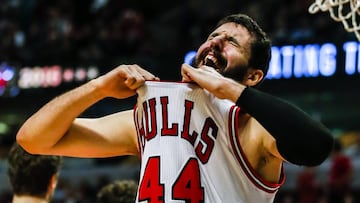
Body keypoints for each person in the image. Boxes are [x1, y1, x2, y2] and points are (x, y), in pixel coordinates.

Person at [16, 13, 334, 202]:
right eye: (214, 36)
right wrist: (98, 87)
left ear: (253, 76)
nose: (216, 43)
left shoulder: (249, 125)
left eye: (232, 43)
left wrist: (226, 89)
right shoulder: (152, 114)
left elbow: (317, 145)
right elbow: (34, 139)